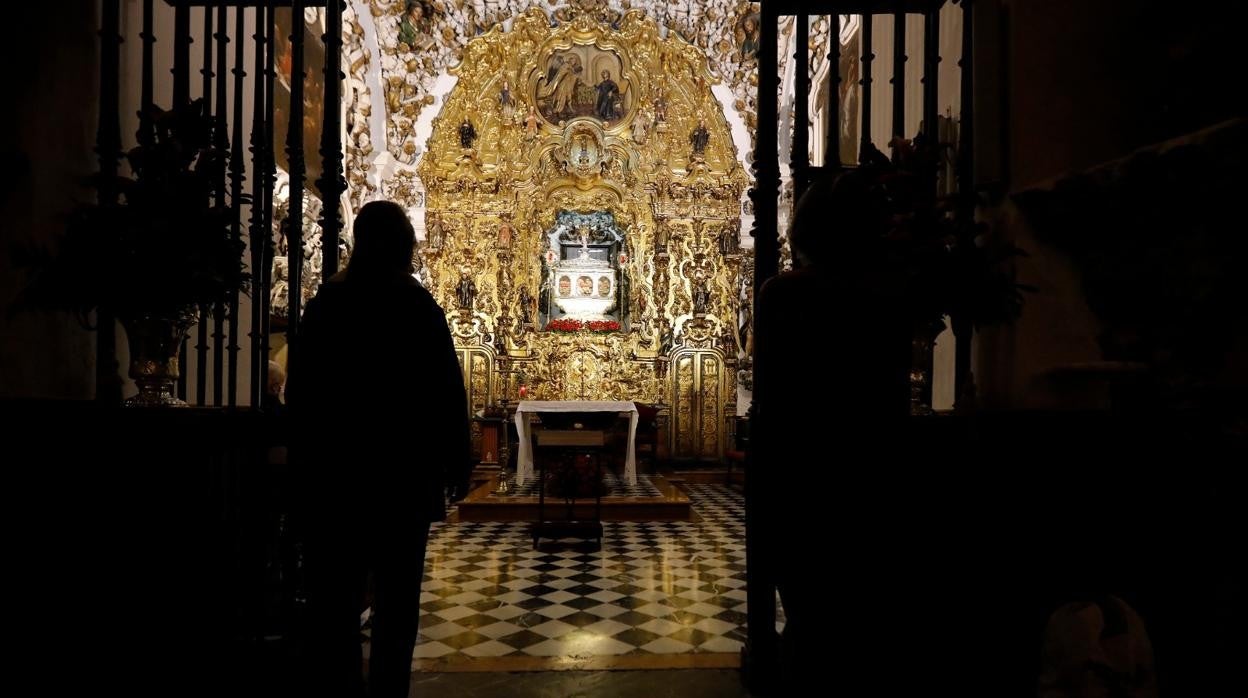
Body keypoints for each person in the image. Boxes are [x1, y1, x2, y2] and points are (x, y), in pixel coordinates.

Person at [286, 200, 472, 698]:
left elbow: (301, 391)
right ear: (404, 246)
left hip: (336, 470)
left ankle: (339, 684)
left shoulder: (328, 302)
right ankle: (390, 690)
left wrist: (301, 458)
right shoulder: (415, 304)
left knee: (336, 594)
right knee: (397, 595)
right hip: (402, 473)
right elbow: (445, 388)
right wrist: (457, 459)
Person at [750, 171, 912, 691]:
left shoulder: (785, 295)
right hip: (872, 469)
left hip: (803, 472)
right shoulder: (889, 297)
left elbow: (772, 402)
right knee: (863, 620)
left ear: (805, 232)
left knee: (809, 617)